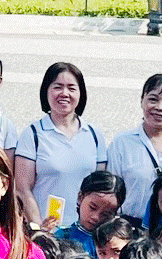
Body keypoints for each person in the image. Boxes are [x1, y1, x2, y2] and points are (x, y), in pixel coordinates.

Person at [13, 61, 104, 228]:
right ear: (46, 91)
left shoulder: (94, 135)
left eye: (71, 88)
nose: (64, 93)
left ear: (80, 93)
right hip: (47, 230)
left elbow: (101, 190)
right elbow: (23, 189)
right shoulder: (33, 134)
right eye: (57, 87)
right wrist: (38, 226)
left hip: (86, 231)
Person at [101, 74, 162, 228]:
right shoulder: (122, 142)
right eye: (153, 99)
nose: (160, 107)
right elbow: (110, 191)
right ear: (142, 100)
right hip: (130, 227)